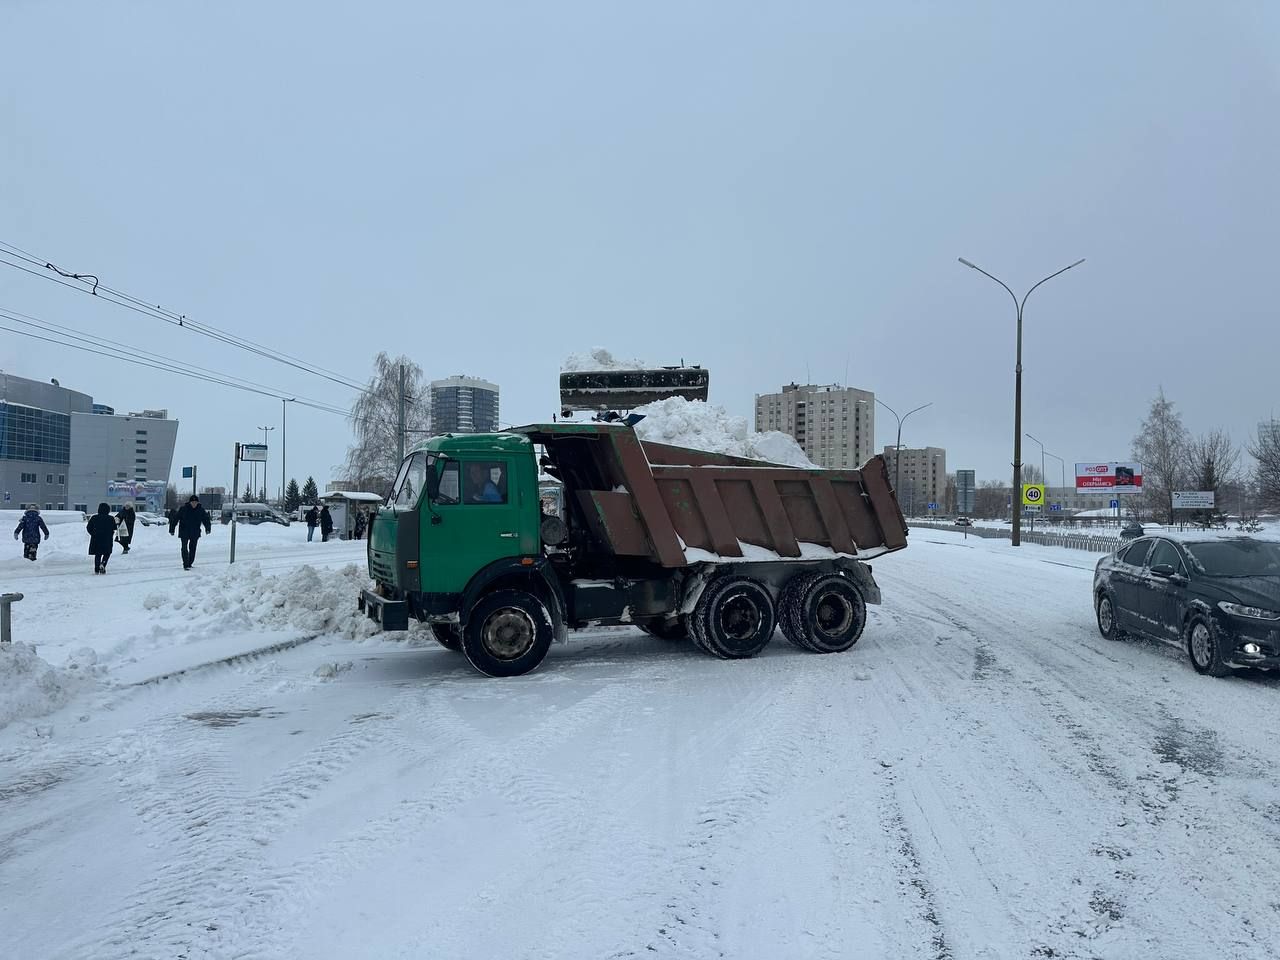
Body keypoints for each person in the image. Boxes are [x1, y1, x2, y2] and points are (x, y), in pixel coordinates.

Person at [169, 494, 212, 570]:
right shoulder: (183, 509)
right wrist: (172, 529)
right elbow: (175, 519)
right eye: (193, 502)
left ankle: (189, 563)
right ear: (190, 502)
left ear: (198, 503)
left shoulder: (201, 510)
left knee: (193, 548)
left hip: (195, 532)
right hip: (184, 531)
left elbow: (206, 520)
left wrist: (208, 528)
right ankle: (185, 564)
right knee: (184, 548)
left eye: (195, 502)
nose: (194, 504)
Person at [86, 502, 117, 574]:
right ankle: (103, 564)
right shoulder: (111, 518)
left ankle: (97, 568)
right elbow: (115, 527)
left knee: (98, 554)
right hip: (107, 538)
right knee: (107, 553)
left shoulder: (94, 517)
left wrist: (93, 534)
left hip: (96, 538)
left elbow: (88, 527)